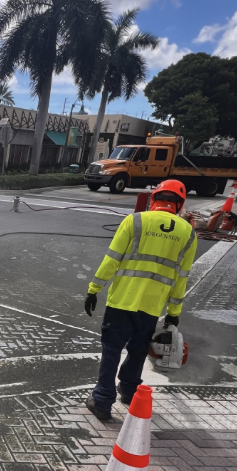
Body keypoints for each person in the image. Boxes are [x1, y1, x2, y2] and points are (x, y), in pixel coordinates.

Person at [83, 179, 198, 421]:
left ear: (154, 199)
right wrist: (174, 311)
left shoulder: (135, 221)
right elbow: (181, 278)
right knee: (137, 350)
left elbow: (112, 259)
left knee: (112, 349)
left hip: (122, 300)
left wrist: (94, 289)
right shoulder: (188, 233)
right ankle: (129, 391)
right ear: (179, 205)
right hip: (152, 306)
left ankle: (103, 401)